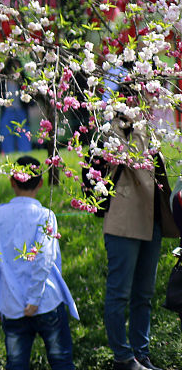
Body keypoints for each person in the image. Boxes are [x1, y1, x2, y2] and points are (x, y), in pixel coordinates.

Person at [98, 103, 179, 370]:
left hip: (152, 220)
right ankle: (123, 358)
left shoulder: (147, 127)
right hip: (124, 222)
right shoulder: (111, 128)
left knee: (143, 294)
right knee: (119, 292)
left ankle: (140, 354)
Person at [0, 156, 77, 370]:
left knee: (16, 364)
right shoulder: (45, 215)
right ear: (41, 183)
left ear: (12, 182)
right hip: (46, 300)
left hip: (11, 303)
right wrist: (34, 298)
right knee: (61, 362)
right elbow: (43, 257)